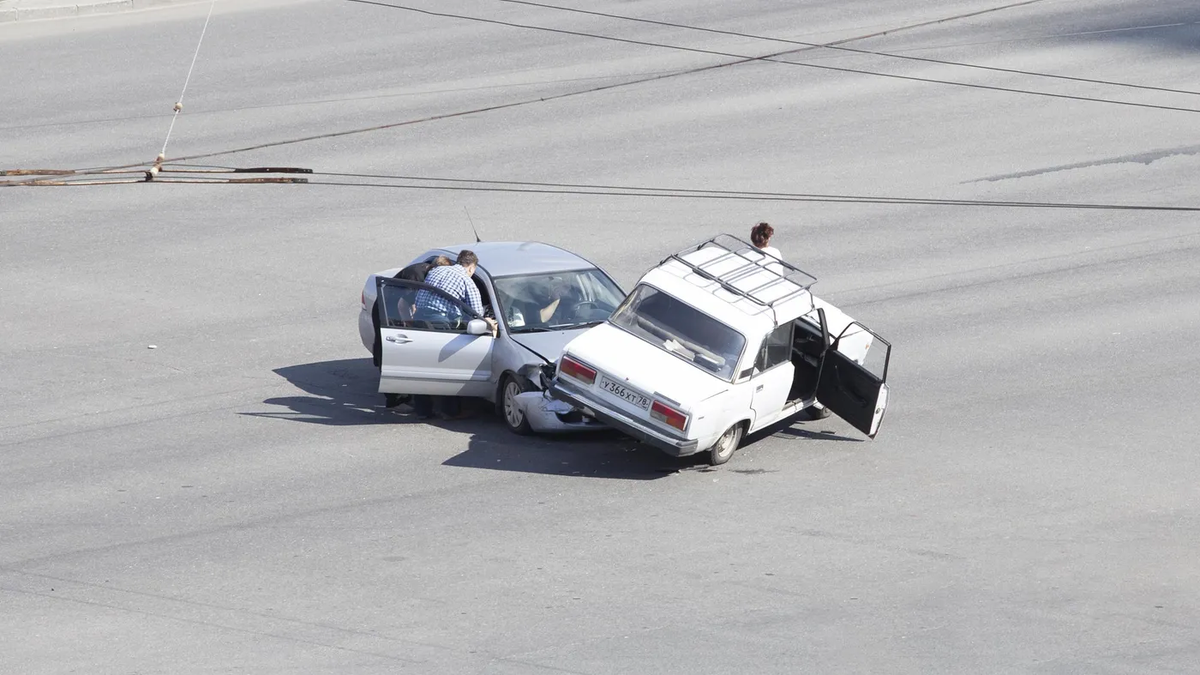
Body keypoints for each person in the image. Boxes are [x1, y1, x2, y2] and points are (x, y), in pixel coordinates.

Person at [411, 250, 498, 420]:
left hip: (418, 320)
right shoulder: (467, 281)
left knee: (420, 367)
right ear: (472, 267)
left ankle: (422, 410)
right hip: (440, 324)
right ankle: (448, 411)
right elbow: (475, 313)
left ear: (458, 261)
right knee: (446, 369)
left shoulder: (437, 270)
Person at [376, 256, 453, 408]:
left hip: (396, 308)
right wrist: (410, 327)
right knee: (393, 353)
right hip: (386, 310)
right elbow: (403, 304)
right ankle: (394, 396)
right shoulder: (417, 276)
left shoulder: (427, 273)